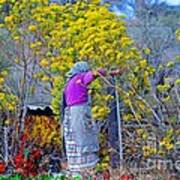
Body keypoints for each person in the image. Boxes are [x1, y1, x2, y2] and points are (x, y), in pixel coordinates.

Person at [61, 61, 123, 176]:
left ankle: (77, 171)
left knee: (75, 142)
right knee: (84, 138)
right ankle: (86, 171)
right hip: (79, 114)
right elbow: (94, 74)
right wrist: (108, 73)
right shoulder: (80, 77)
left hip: (71, 115)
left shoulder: (69, 83)